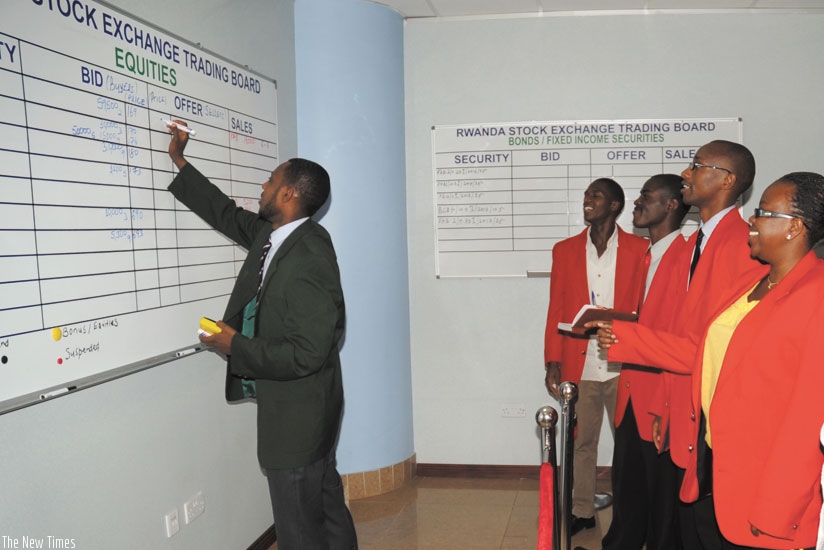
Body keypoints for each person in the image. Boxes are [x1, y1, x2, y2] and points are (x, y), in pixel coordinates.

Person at [165, 121, 358, 550]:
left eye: (270, 180)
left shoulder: (309, 253)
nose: (263, 185)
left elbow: (308, 352)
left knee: (300, 531)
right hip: (311, 412)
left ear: (289, 194)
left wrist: (235, 346)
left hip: (299, 420)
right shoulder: (273, 236)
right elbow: (225, 213)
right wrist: (180, 161)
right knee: (326, 510)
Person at [590, 140, 768, 550]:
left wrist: (622, 338)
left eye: (696, 166)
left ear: (727, 180)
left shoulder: (742, 246)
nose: (686, 174)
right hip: (678, 404)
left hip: (710, 415)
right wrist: (662, 409)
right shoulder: (691, 245)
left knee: (697, 528)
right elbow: (674, 331)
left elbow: (706, 348)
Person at [544, 177, 648, 535]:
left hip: (627, 363)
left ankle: (632, 516)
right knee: (581, 442)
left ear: (616, 205)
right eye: (587, 195)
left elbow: (645, 307)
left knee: (629, 447)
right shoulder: (565, 249)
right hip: (580, 362)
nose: (588, 200)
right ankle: (582, 511)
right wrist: (552, 361)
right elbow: (556, 306)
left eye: (596, 196)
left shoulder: (640, 249)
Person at [601, 174, 690, 550]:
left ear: (672, 205)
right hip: (632, 389)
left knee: (661, 498)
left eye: (646, 197)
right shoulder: (646, 254)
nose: (636, 203)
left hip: (663, 393)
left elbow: (682, 336)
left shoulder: (687, 256)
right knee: (628, 487)